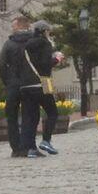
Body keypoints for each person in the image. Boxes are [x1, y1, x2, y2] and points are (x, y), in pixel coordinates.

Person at [0, 15, 42, 159]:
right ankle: (29, 145)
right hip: (31, 84)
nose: (12, 28)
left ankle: (16, 148)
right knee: (31, 115)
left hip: (14, 84)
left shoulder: (9, 44)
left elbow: (1, 64)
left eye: (13, 26)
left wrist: (8, 81)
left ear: (18, 26)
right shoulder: (36, 42)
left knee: (12, 116)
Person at [29, 20, 65, 155]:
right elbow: (45, 64)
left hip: (30, 81)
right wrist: (57, 59)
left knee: (32, 115)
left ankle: (31, 147)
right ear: (44, 31)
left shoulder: (28, 44)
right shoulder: (45, 44)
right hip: (45, 80)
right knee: (52, 112)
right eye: (48, 31)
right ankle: (46, 140)